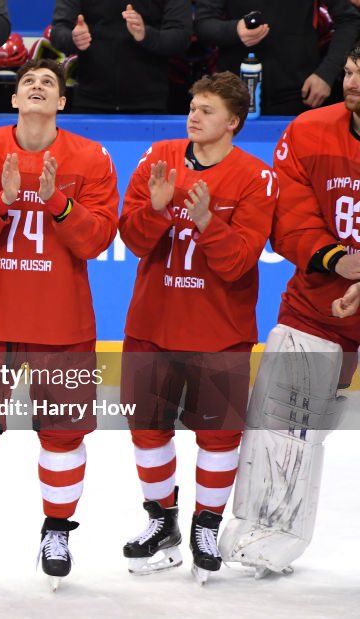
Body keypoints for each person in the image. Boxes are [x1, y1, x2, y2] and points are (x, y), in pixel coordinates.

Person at [0, 59, 119, 588]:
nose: (37, 87)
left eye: (49, 84)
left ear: (62, 103)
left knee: (63, 437)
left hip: (62, 324)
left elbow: (96, 240)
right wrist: (3, 200)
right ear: (13, 99)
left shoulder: (91, 157)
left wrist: (56, 201)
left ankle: (57, 530)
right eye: (27, 82)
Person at [118, 72, 277, 583]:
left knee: (219, 435)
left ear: (233, 121)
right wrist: (159, 209)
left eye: (206, 109)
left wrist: (209, 223)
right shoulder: (159, 156)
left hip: (219, 330)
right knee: (147, 430)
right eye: (192, 105)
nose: (193, 115)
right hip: (152, 323)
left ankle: (205, 524)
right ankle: (160, 521)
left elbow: (238, 262)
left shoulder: (256, 177)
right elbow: (132, 237)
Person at [218, 46, 360, 577]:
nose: (352, 82)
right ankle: (267, 529)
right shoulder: (309, 131)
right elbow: (292, 214)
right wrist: (339, 261)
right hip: (320, 301)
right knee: (281, 419)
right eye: (348, 71)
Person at [195, 0, 360, 116]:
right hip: (233, 93)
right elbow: (203, 25)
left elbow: (348, 20)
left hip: (301, 93)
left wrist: (326, 74)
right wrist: (234, 31)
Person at [50, 0, 192, 113]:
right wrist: (73, 38)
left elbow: (181, 38)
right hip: (89, 102)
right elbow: (57, 32)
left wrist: (146, 35)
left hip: (149, 106)